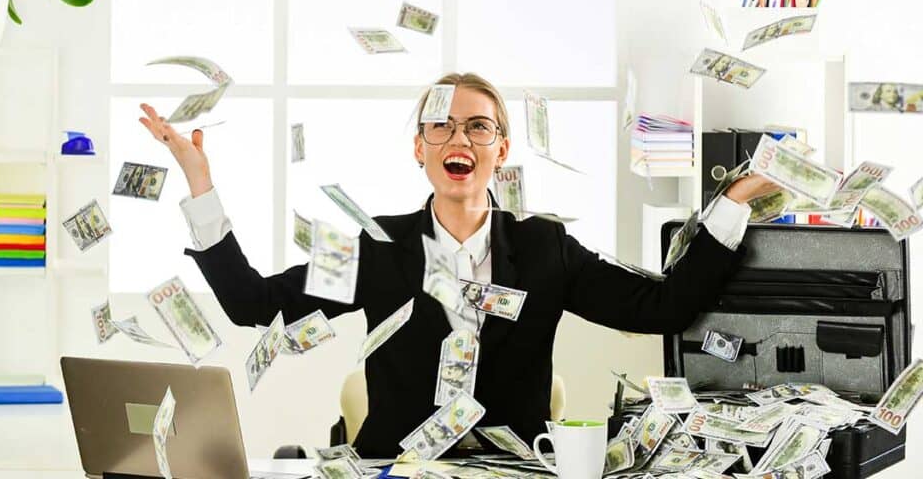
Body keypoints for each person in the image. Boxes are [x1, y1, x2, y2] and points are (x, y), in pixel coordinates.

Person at [137, 72, 778, 457]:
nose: (458, 140)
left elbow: (660, 307)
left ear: (502, 148)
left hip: (516, 465)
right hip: (396, 464)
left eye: (478, 127)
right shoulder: (375, 247)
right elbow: (251, 303)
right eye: (440, 127)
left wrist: (737, 200)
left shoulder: (545, 248)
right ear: (419, 148)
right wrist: (199, 184)